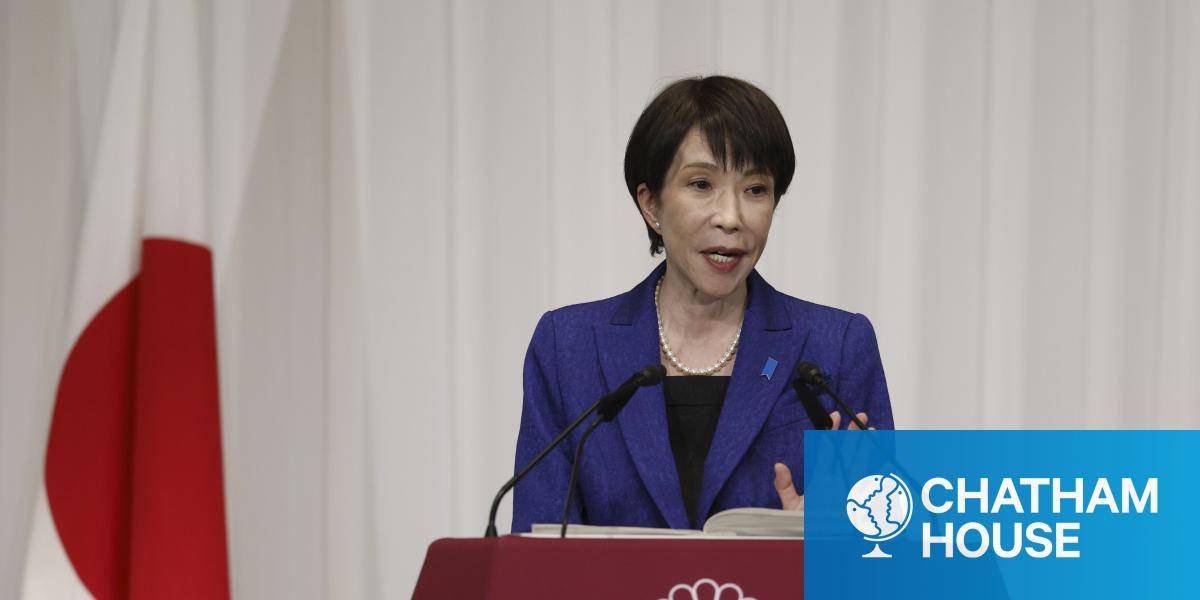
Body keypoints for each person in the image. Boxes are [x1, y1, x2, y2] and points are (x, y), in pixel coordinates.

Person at [512, 75, 893, 533]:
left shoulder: (835, 348)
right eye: (701, 184)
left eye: (755, 189)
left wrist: (827, 538)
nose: (731, 217)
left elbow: (887, 551)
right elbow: (534, 554)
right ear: (650, 204)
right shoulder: (566, 348)